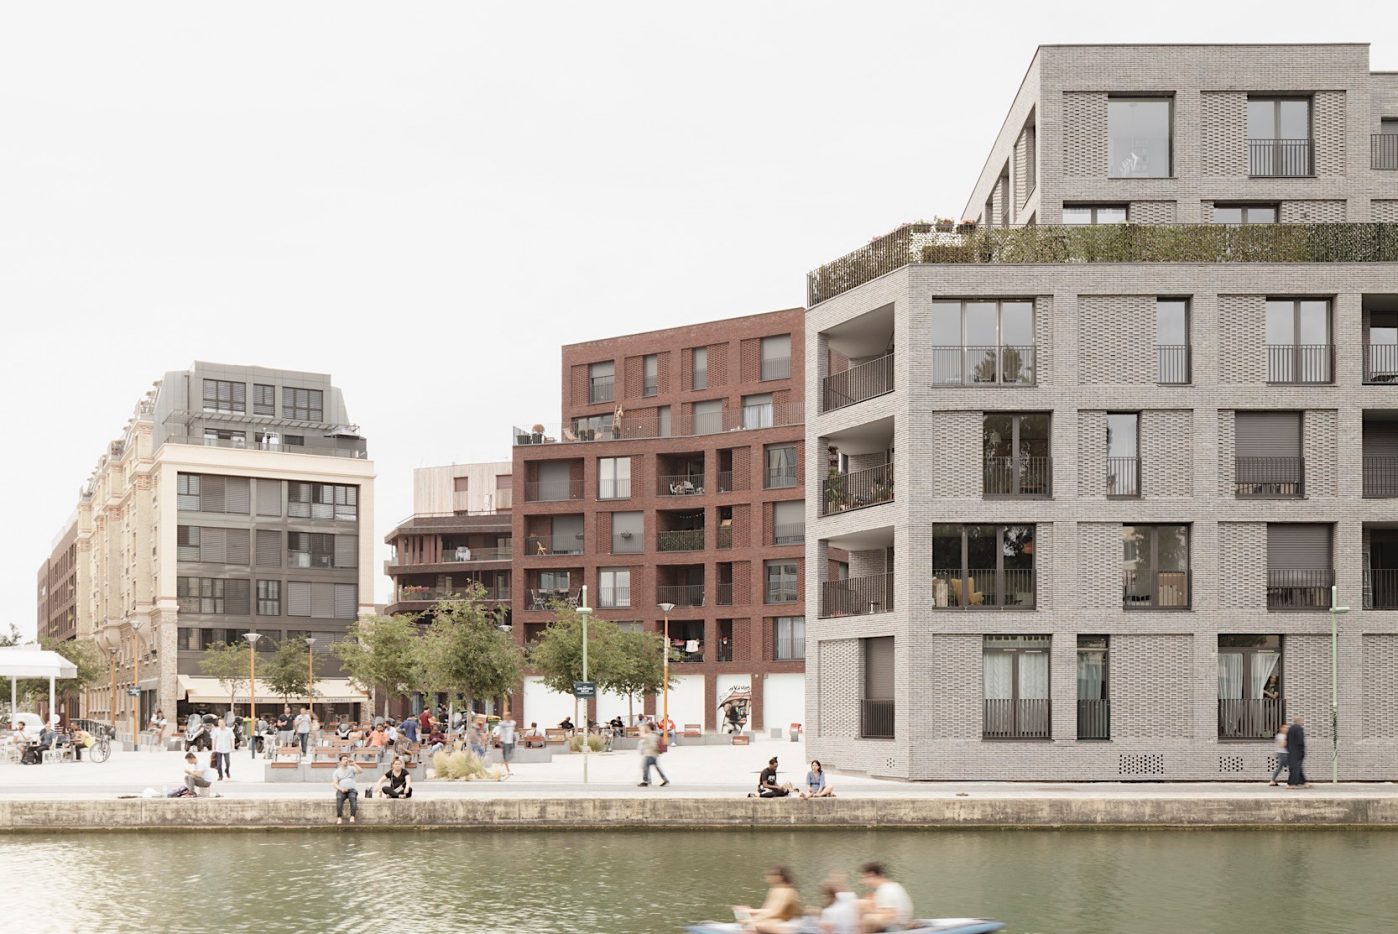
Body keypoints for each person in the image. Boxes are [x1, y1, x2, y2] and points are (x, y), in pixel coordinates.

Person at [733, 866, 802, 934]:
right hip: (774, 919)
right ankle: (749, 928)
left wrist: (754, 918)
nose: (767, 876)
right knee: (740, 909)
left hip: (787, 922)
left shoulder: (787, 891)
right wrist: (750, 913)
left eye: (771, 874)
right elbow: (767, 909)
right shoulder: (774, 889)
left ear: (780, 877)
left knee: (759, 924)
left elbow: (776, 912)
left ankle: (751, 928)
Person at [858, 862, 913, 932]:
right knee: (862, 904)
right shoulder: (892, 886)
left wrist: (869, 910)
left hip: (897, 927)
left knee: (866, 916)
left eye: (863, 878)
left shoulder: (886, 889)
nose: (861, 882)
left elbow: (889, 915)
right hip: (899, 924)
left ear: (871, 875)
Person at [637, 722, 670, 787]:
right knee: (656, 768)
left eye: (647, 727)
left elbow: (653, 745)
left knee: (645, 767)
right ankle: (665, 780)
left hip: (650, 754)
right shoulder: (655, 734)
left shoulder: (650, 735)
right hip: (654, 754)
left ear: (649, 728)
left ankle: (645, 781)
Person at [332, 754, 362, 824]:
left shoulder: (352, 768)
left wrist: (355, 764)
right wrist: (341, 789)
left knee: (353, 798)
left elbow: (361, 771)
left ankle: (352, 816)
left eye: (347, 759)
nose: (346, 760)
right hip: (342, 790)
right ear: (340, 762)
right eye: (344, 759)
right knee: (339, 798)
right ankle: (339, 817)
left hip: (351, 789)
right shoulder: (336, 771)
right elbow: (334, 784)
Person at [1285, 715, 1311, 789]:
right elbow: (1301, 741)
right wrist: (1302, 751)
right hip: (1298, 751)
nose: (1303, 722)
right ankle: (1291, 783)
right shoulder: (1299, 729)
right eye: (1302, 721)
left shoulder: (1290, 729)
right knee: (1296, 768)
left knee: (1297, 767)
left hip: (1291, 751)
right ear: (1299, 721)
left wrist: (1288, 749)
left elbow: (1287, 740)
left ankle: (1303, 782)